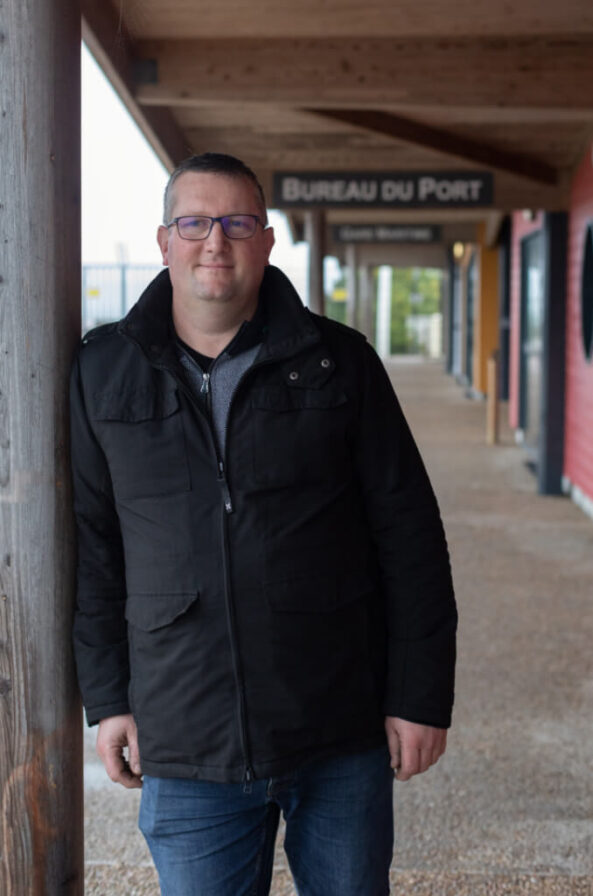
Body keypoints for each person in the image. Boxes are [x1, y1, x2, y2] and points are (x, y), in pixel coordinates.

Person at [70, 152, 457, 896]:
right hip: (185, 742)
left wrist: (418, 694)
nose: (214, 240)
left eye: (237, 222)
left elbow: (409, 534)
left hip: (337, 727)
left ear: (267, 240)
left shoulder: (340, 363)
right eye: (194, 222)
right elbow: (94, 551)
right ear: (164, 240)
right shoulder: (102, 372)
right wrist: (108, 698)